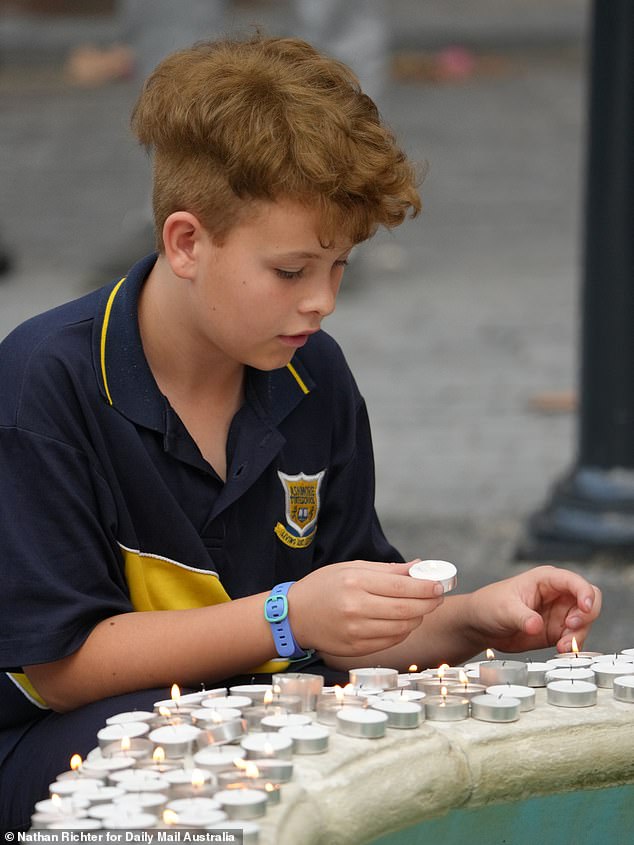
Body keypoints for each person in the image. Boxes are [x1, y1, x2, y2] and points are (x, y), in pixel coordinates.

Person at [0, 34, 600, 831]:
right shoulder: (48, 380)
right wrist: (284, 619)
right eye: (291, 271)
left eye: (340, 266)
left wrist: (474, 618)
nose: (321, 302)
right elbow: (59, 664)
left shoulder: (315, 376)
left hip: (272, 730)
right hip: (78, 754)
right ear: (187, 242)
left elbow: (347, 623)